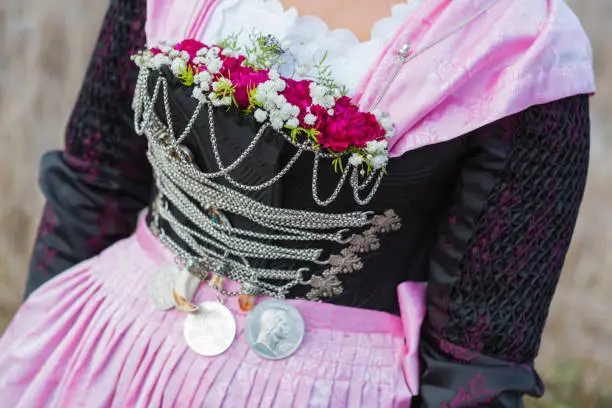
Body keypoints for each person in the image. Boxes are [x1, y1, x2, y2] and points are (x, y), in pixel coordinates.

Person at [0, 0, 595, 406]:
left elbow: (476, 355)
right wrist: (41, 346)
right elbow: (94, 178)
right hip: (102, 354)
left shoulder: (522, 45)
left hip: (327, 387)